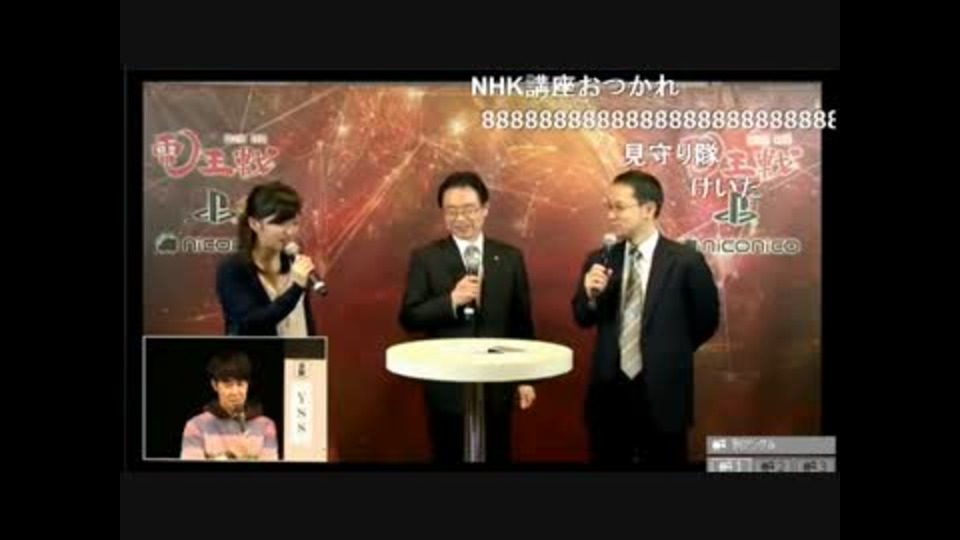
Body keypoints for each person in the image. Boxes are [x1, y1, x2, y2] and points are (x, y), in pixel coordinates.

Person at [571, 170, 720, 469]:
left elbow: (706, 321)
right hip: (609, 392)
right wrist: (590, 295)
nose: (611, 215)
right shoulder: (600, 259)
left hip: (664, 392)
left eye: (619, 207)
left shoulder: (686, 261)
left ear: (649, 209)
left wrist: (668, 350)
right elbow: (582, 318)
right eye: (608, 207)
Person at [399, 171, 537, 464]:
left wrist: (525, 379)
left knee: (498, 454)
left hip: (498, 382)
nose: (460, 218)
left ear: (485, 209)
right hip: (448, 384)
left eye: (469, 209)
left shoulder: (510, 257)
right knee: (448, 455)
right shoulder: (426, 257)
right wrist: (450, 301)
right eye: (451, 211)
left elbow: (521, 321)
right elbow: (409, 317)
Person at [215, 180, 322, 336]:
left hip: (299, 351)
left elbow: (303, 318)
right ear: (254, 224)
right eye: (280, 224)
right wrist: (296, 289)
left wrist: (313, 348)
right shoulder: (233, 269)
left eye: (294, 223)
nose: (289, 232)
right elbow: (251, 323)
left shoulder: (293, 261)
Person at [181, 351, 279, 460]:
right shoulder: (196, 426)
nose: (235, 392)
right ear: (214, 385)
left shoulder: (265, 425)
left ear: (248, 385)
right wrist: (229, 456)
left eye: (240, 384)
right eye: (228, 385)